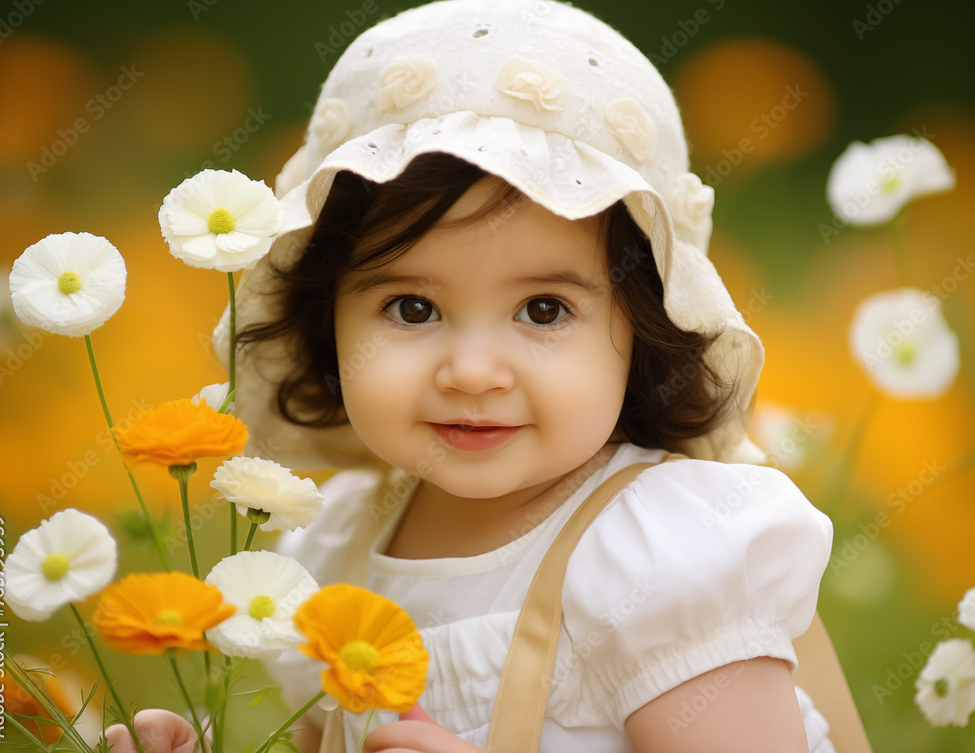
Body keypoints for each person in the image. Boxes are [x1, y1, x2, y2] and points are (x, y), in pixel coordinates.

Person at [108, 0, 835, 751]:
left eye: (545, 310)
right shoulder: (336, 547)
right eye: (414, 307)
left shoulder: (657, 556)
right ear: (325, 321)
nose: (473, 371)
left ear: (646, 329)